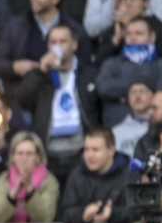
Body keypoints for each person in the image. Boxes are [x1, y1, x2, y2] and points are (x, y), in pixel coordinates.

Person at [11, 23, 100, 182]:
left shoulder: (89, 74)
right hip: (48, 155)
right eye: (53, 42)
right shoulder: (39, 75)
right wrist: (40, 71)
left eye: (62, 41)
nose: (57, 46)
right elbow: (21, 100)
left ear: (74, 44)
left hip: (80, 153)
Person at [96, 17, 162, 125]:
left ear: (152, 37)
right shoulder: (112, 63)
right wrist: (146, 90)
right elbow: (103, 87)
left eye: (139, 33)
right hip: (118, 124)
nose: (133, 38)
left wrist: (124, 97)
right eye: (129, 34)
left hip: (154, 124)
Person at [58, 126, 138, 223]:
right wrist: (83, 214)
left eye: (96, 150)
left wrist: (112, 214)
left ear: (111, 150)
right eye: (86, 149)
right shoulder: (77, 175)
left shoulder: (129, 174)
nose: (89, 155)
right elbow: (65, 213)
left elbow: (138, 211)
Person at [0, 131, 61, 223]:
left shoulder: (49, 181)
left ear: (38, 157)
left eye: (29, 153)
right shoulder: (4, 179)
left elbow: (45, 218)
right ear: (13, 157)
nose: (24, 158)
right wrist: (12, 197)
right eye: (20, 153)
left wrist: (30, 191)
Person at [112, 78, 156, 158]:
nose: (137, 96)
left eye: (142, 91)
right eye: (133, 92)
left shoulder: (161, 127)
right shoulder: (116, 132)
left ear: (152, 95)